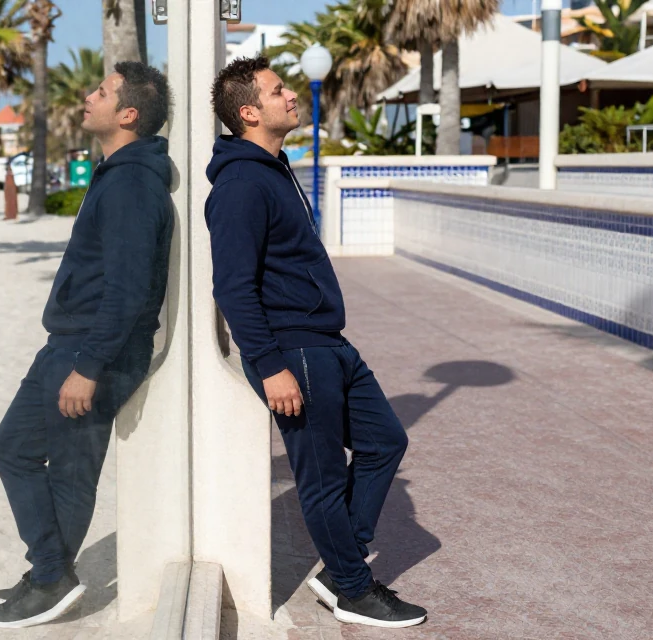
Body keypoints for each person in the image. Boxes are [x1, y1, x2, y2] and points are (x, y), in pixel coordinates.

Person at [204, 55, 427, 629]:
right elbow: (231, 286)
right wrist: (269, 365)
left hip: (327, 342)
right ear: (249, 111)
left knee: (384, 442)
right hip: (293, 350)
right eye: (278, 91)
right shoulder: (240, 184)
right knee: (323, 477)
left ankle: (339, 569)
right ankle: (353, 588)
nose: (291, 96)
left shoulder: (274, 170)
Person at [0, 61, 174, 629]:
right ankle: (48, 567)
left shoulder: (134, 182)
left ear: (128, 114)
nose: (89, 97)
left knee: (67, 472)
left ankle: (50, 579)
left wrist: (89, 367)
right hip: (69, 344)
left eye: (102, 91)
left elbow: (131, 288)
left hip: (92, 353)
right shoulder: (117, 173)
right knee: (11, 448)